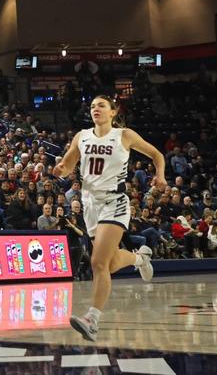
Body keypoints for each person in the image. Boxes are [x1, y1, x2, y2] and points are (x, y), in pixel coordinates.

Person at [54, 95, 165, 341]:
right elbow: (68, 164)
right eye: (93, 106)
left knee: (98, 263)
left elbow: (157, 154)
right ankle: (139, 258)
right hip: (89, 204)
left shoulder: (124, 135)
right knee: (111, 263)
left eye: (101, 105)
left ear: (113, 112)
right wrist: (61, 169)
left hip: (115, 201)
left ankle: (92, 319)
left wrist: (161, 175)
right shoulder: (81, 136)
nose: (96, 109)